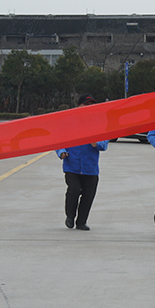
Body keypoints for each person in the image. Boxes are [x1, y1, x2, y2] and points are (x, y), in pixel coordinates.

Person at [56, 94, 109, 230]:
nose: (89, 107)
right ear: (79, 106)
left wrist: (95, 143)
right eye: (86, 104)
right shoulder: (68, 121)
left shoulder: (98, 123)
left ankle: (81, 222)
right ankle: (70, 216)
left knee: (88, 196)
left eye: (92, 104)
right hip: (72, 166)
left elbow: (104, 144)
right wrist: (61, 152)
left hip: (90, 168)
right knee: (74, 190)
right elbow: (59, 140)